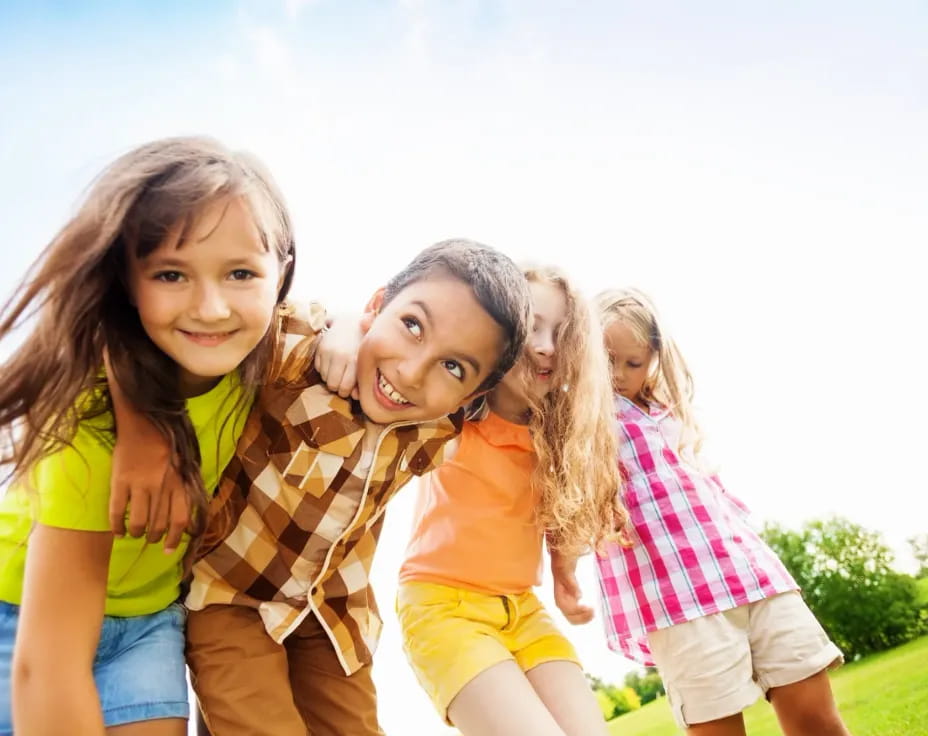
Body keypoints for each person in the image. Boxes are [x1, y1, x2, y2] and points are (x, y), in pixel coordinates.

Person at [108, 239, 533, 735]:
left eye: (453, 367)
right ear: (378, 305)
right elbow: (269, 311)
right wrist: (345, 323)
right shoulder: (300, 355)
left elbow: (542, 391)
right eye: (411, 326)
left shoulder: (437, 431)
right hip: (230, 597)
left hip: (332, 613)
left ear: (471, 395)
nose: (412, 372)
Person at [0, 136, 296, 735]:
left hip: (150, 620)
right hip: (22, 615)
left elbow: (329, 325)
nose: (211, 308)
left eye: (241, 272)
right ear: (125, 283)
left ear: (281, 272)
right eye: (170, 274)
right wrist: (138, 422)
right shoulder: (87, 420)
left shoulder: (267, 359)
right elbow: (49, 667)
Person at [318, 265, 624, 735]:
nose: (546, 345)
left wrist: (564, 576)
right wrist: (342, 328)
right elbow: (376, 333)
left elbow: (557, 513)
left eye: (562, 334)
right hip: (444, 609)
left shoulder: (557, 436)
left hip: (522, 609)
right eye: (533, 326)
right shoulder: (450, 414)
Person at [588, 287, 850, 736]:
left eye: (634, 363)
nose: (619, 375)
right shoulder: (584, 419)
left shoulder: (671, 412)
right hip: (678, 599)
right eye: (607, 360)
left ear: (654, 358)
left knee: (817, 719)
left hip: (751, 575)